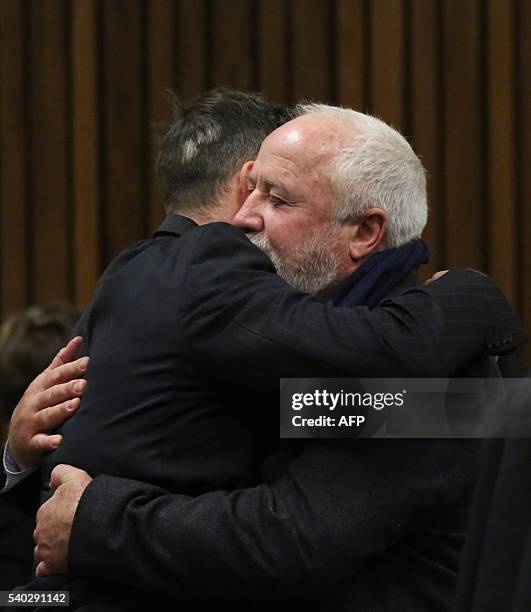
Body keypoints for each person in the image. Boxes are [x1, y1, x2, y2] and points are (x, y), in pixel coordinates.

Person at [6, 94, 525, 610]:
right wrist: (21, 460)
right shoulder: (279, 338)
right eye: (250, 189)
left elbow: (290, 540)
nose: (242, 218)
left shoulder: (431, 381)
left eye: (278, 200)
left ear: (364, 232)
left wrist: (96, 521)